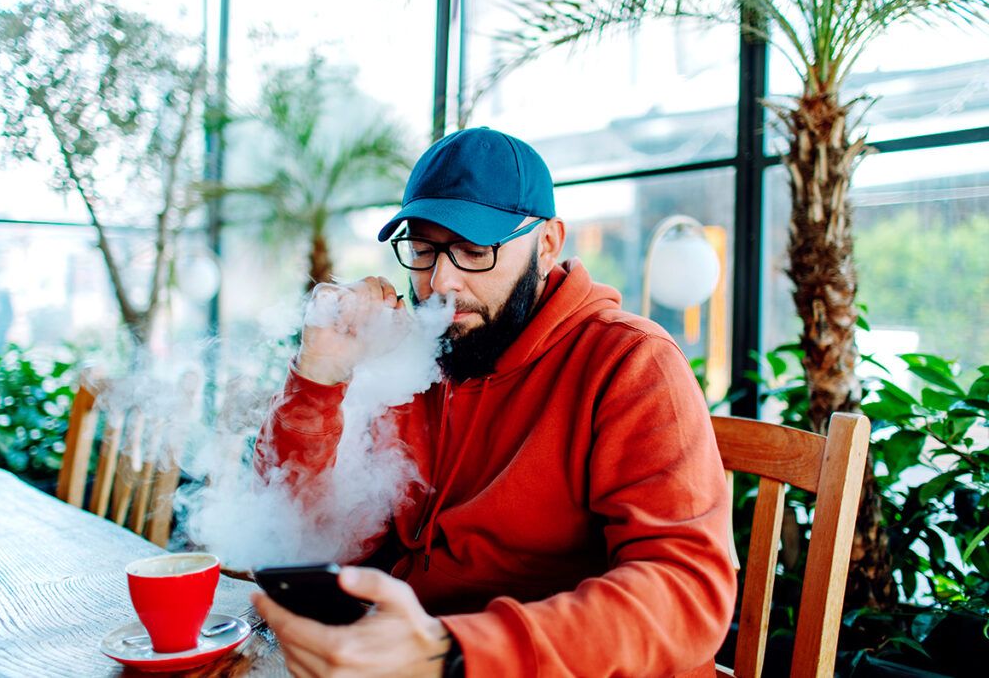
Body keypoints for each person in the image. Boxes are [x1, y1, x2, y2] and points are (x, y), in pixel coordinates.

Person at [251, 127, 736, 677]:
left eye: (474, 251)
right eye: (423, 250)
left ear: (549, 243)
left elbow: (685, 593)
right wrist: (321, 373)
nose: (441, 283)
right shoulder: (417, 352)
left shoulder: (631, 362)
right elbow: (288, 526)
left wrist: (451, 651)